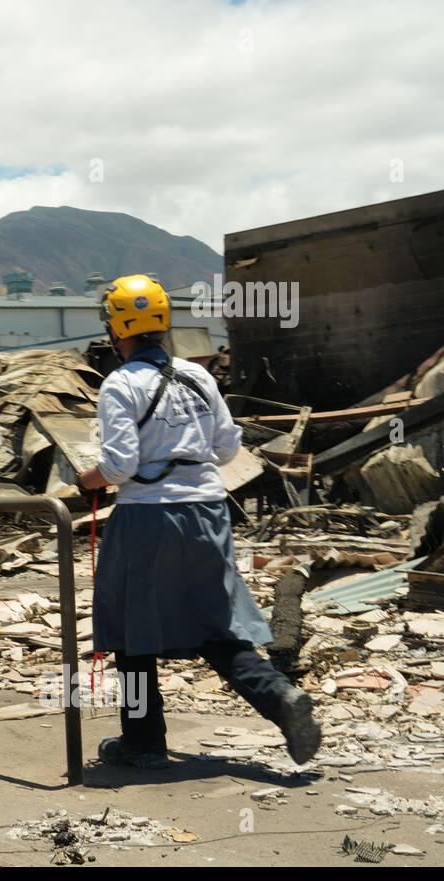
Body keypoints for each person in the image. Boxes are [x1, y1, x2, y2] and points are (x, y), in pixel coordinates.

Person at [76, 274, 321, 770]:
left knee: (130, 633)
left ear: (116, 329)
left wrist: (90, 478)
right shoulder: (199, 376)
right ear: (163, 323)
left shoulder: (120, 384)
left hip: (148, 518)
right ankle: (279, 698)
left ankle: (143, 743)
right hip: (209, 512)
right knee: (217, 626)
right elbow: (229, 448)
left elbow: (120, 466)